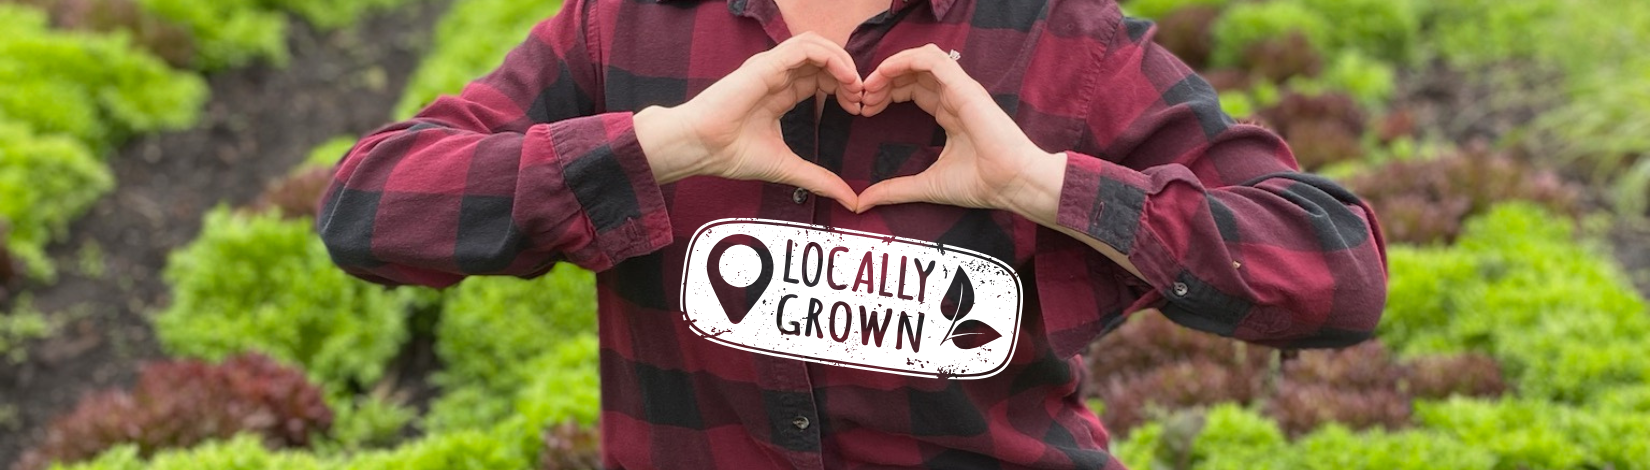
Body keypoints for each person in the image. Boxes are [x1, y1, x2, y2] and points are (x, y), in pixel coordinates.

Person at [317, 0, 1388, 467]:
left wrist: (1044, 183)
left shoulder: (1059, 40)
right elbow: (371, 205)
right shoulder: (626, 25)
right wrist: (659, 144)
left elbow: (1333, 267)